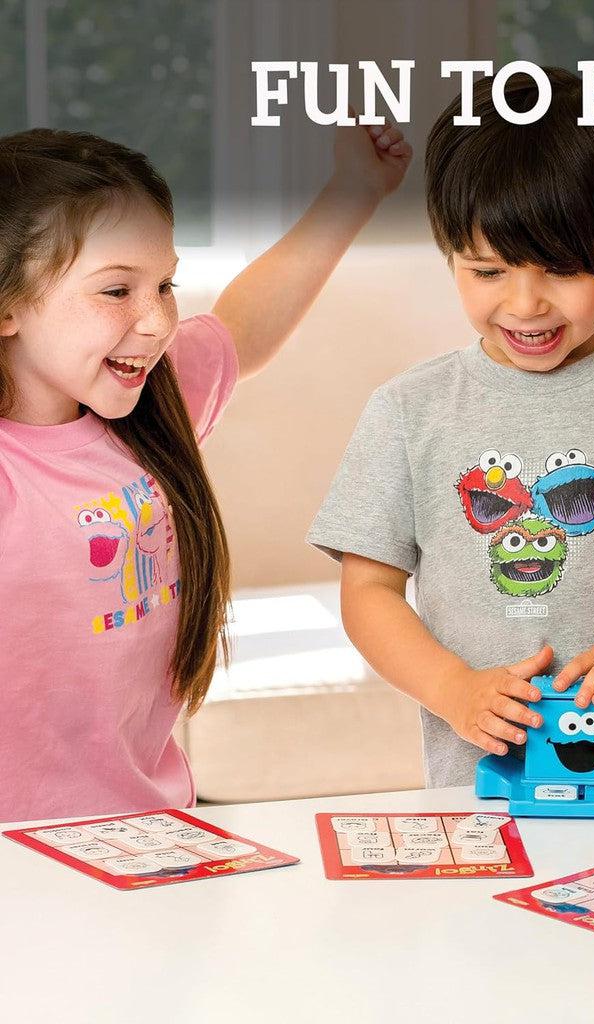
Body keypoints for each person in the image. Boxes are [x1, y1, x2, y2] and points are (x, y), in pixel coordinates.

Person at [307, 68, 594, 790]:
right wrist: (451, 689)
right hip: (479, 787)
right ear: (449, 255)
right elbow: (368, 590)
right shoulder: (410, 408)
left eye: (559, 269)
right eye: (488, 270)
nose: (525, 304)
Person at [0, 120, 411, 822]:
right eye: (115, 290)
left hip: (153, 832)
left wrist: (353, 190)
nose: (157, 320)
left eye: (164, 284)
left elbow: (243, 326)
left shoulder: (152, 408)